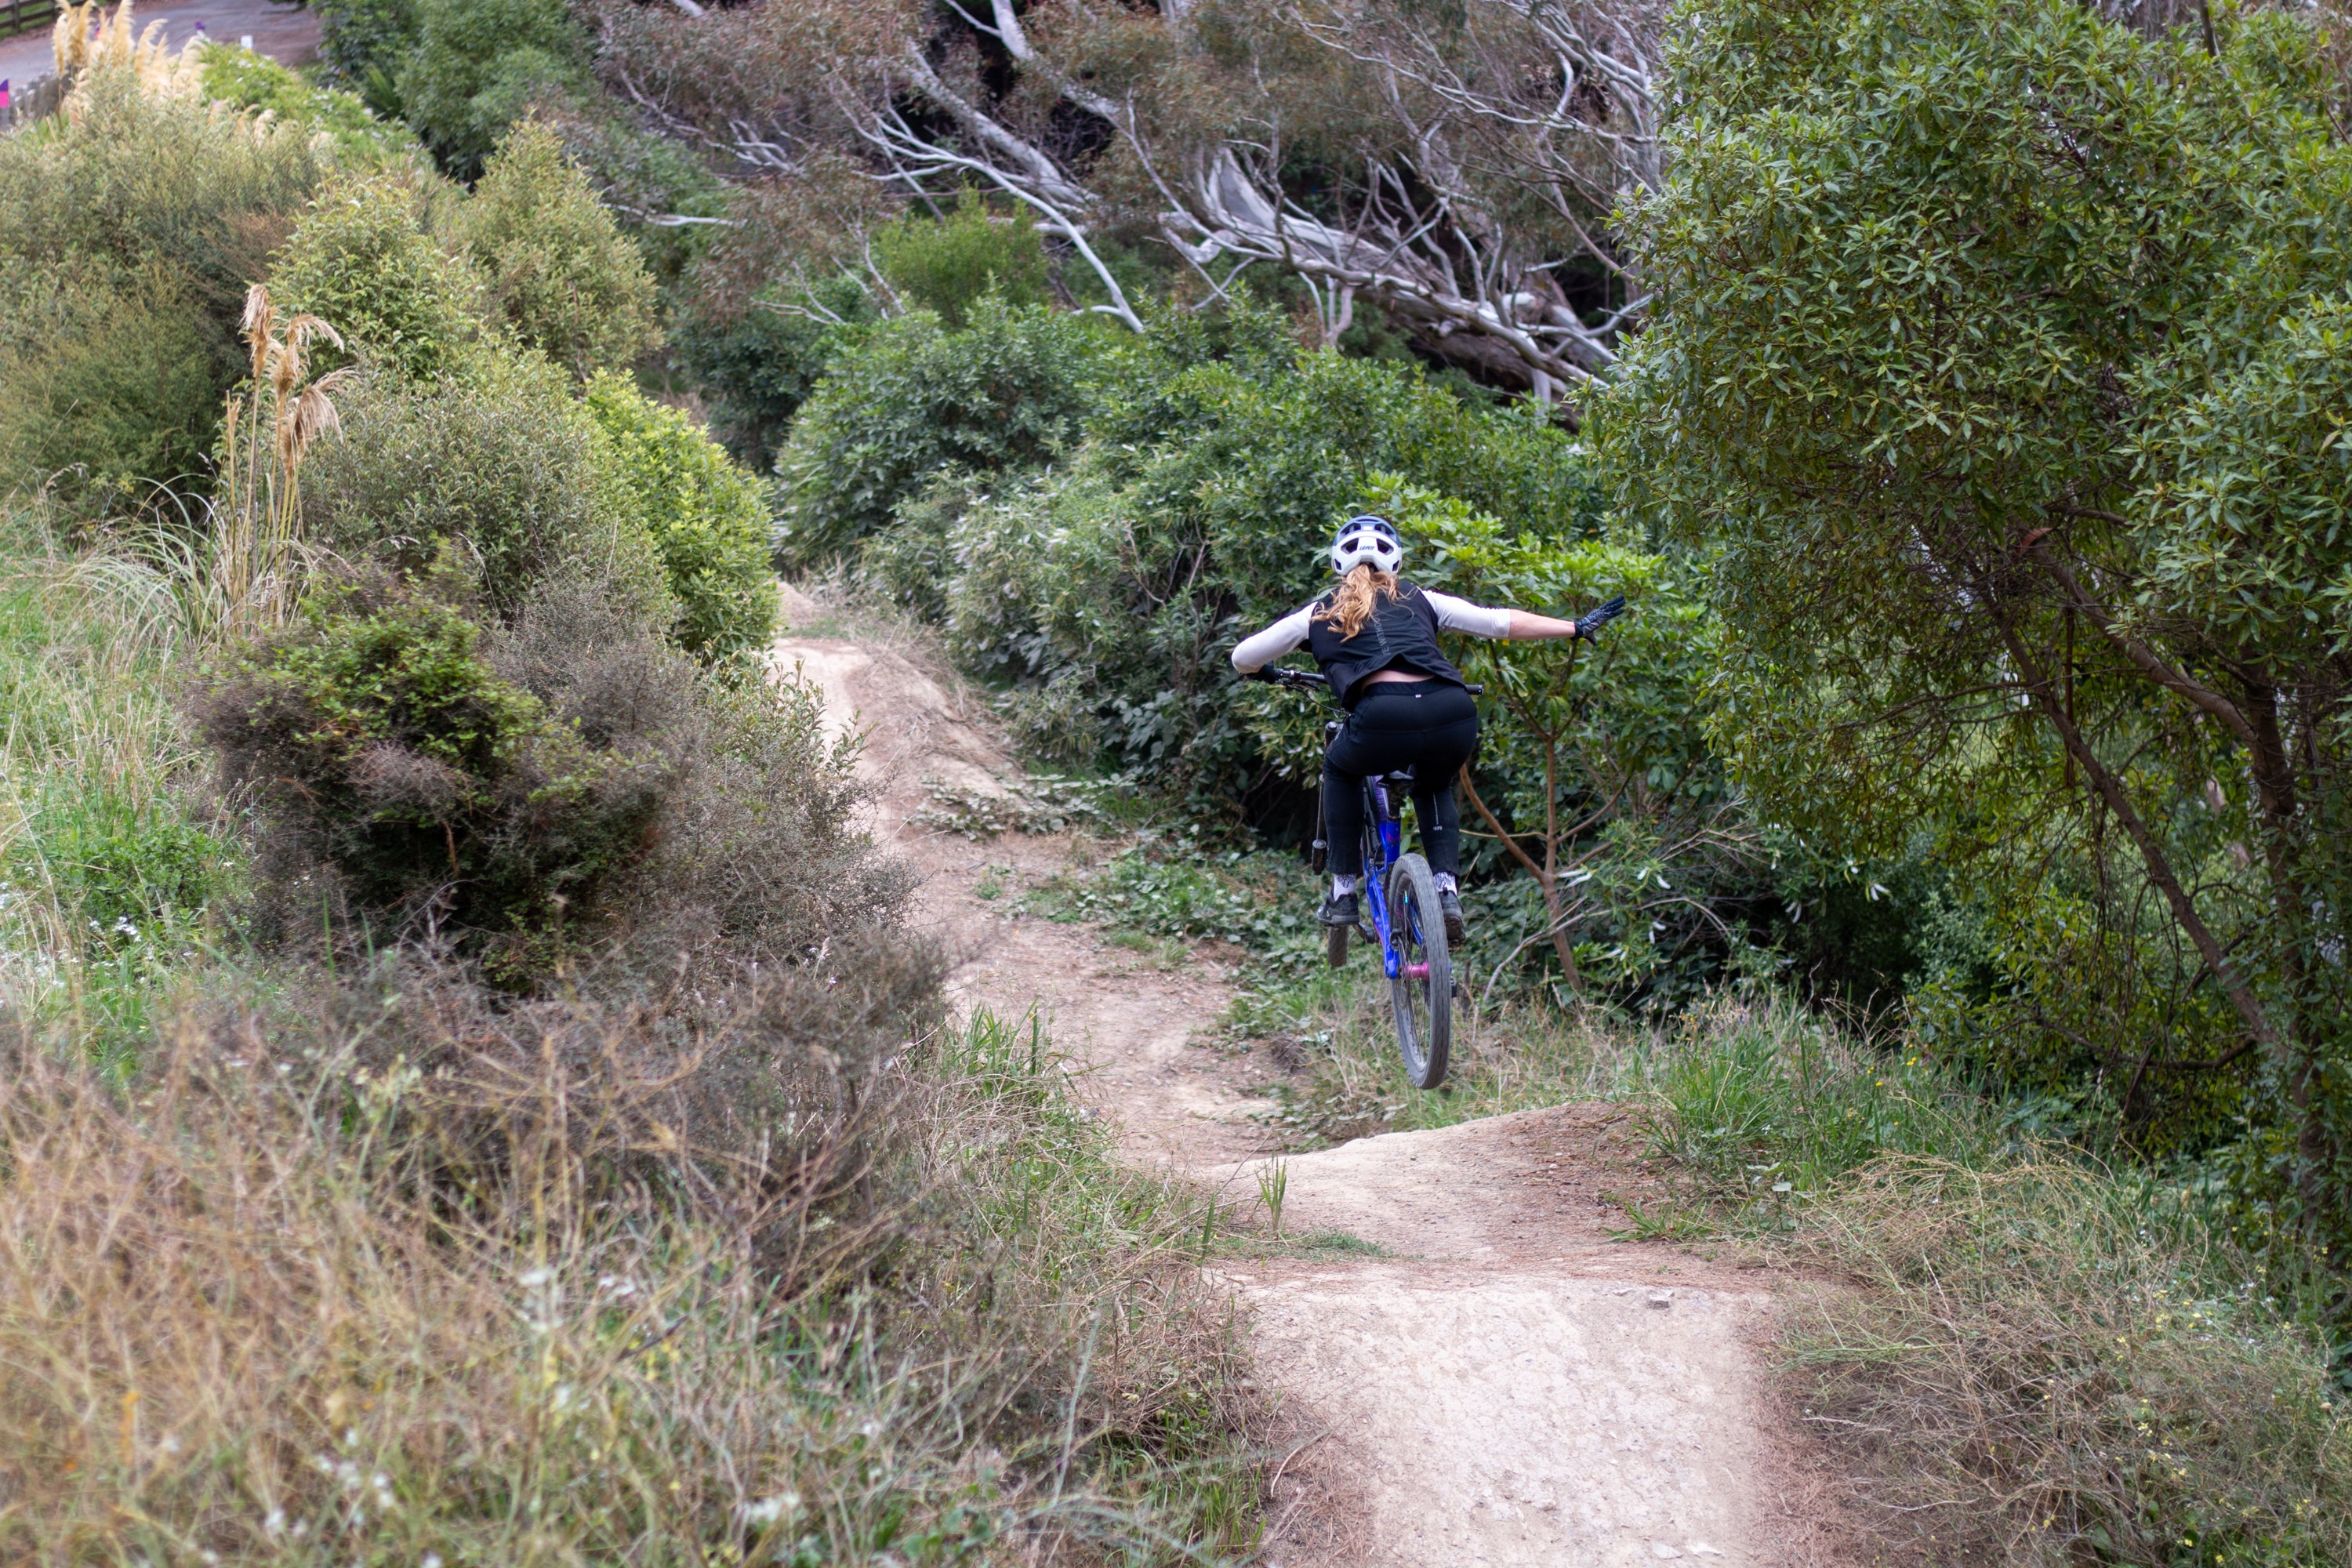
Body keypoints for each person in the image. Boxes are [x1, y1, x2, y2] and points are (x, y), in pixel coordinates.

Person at [1230, 514, 1624, 944]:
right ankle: (1446, 891)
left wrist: (1263, 672)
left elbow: (1243, 656)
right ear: (1395, 563)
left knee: (1340, 769)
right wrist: (1574, 626)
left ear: (1337, 565)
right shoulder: (1423, 598)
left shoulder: (1317, 613)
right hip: (1452, 711)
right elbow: (1497, 622)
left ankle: (1344, 891)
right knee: (1434, 784)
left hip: (1383, 717)